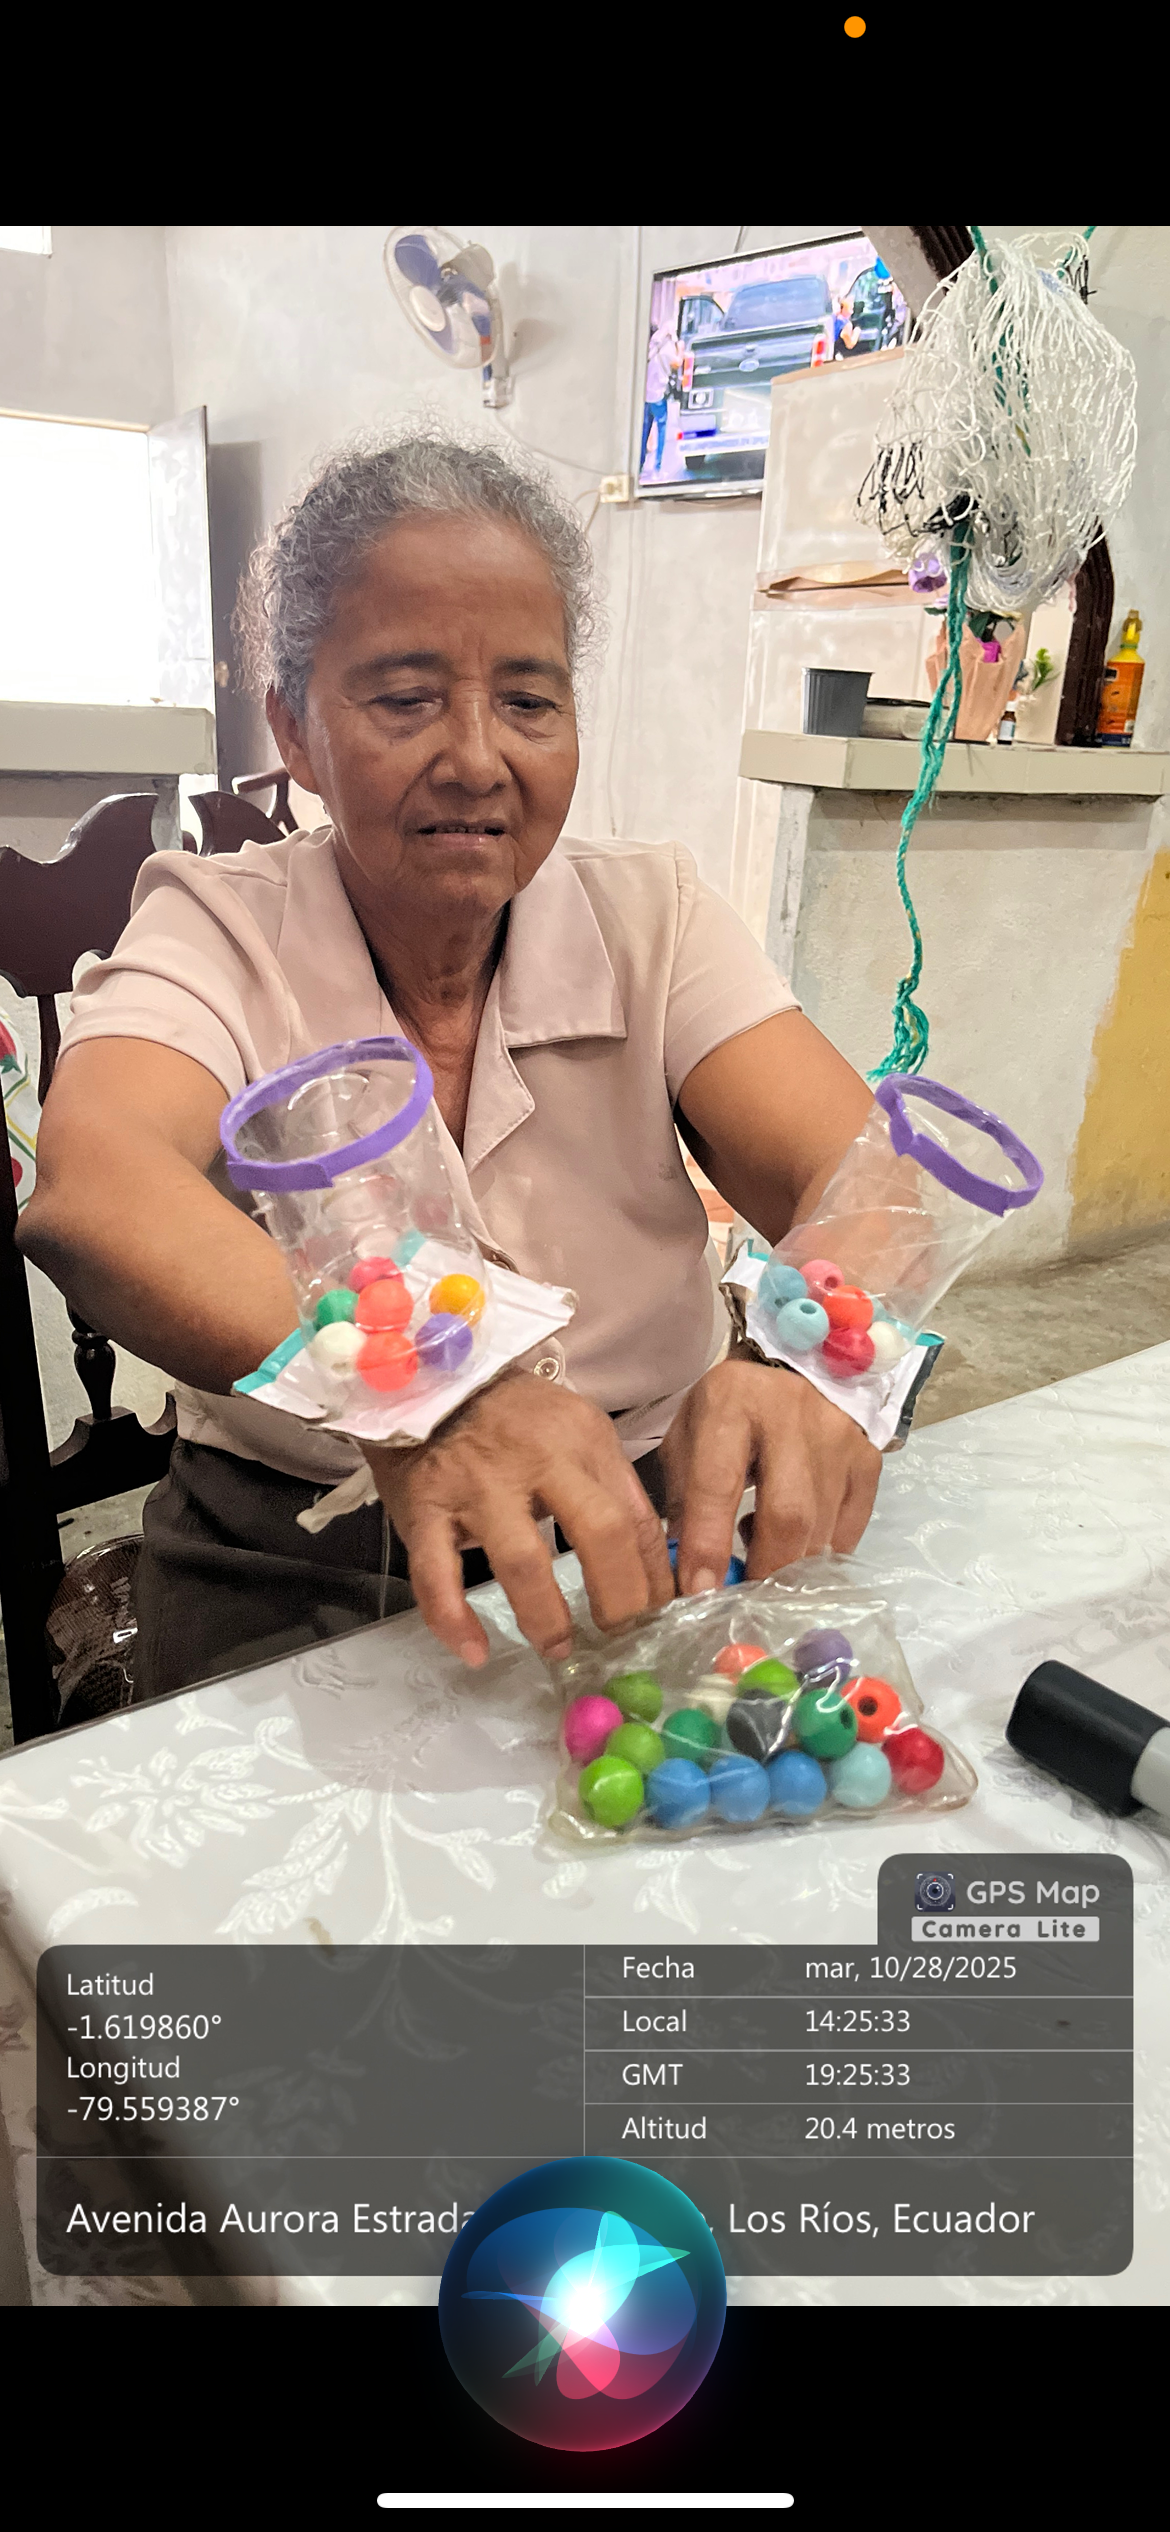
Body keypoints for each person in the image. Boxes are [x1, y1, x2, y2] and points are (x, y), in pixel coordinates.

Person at [20, 431, 880, 1701]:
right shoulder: (218, 928)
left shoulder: (656, 917)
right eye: (405, 698)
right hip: (295, 1545)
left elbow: (865, 1173)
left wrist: (818, 1355)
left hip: (648, 1522)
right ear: (294, 729)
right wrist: (429, 1388)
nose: (479, 758)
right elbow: (95, 1193)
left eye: (529, 702)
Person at [640, 317, 678, 476]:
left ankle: (639, 466)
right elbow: (677, 363)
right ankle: (658, 467)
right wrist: (679, 346)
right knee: (662, 429)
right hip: (659, 395)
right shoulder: (668, 347)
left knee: (644, 431)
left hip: (645, 395)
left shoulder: (649, 345)